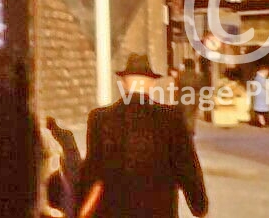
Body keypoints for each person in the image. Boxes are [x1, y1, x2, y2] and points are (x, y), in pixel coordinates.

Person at [77, 53, 209, 218]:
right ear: (152, 84)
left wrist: (79, 206)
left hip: (113, 211)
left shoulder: (100, 118)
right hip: (159, 211)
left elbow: (92, 169)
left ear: (124, 83)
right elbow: (186, 165)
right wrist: (199, 204)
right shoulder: (170, 119)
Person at [174, 60, 206, 135]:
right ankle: (190, 129)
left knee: (183, 115)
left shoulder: (180, 75)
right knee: (192, 115)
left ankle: (184, 129)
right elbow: (200, 86)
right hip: (194, 97)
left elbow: (177, 86)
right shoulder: (198, 75)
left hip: (182, 97)